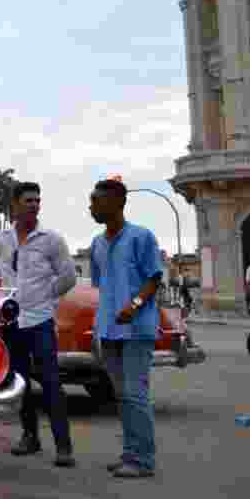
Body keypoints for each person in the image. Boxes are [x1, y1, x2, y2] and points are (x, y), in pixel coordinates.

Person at [0, 181, 77, 467]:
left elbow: (68, 277)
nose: (34, 204)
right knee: (20, 381)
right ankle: (30, 437)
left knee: (52, 382)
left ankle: (63, 446)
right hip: (12, 322)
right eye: (28, 200)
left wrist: (48, 298)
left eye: (37, 200)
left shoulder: (51, 239)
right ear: (15, 205)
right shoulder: (2, 239)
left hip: (40, 321)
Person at [89, 177, 163, 478]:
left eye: (97, 200)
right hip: (108, 331)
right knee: (121, 396)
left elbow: (154, 278)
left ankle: (142, 460)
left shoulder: (141, 236)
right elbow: (100, 285)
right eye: (91, 200)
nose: (91, 206)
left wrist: (133, 306)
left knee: (135, 394)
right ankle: (130, 454)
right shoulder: (96, 244)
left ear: (118, 203)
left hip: (136, 330)